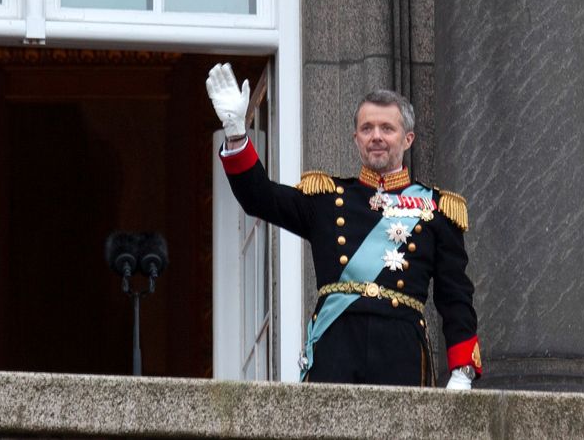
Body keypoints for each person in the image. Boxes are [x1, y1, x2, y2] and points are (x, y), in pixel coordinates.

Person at [206, 63, 481, 388]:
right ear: (355, 138)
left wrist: (462, 369)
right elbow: (259, 198)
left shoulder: (436, 209)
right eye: (367, 128)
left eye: (386, 128)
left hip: (401, 351)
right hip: (335, 346)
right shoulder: (325, 198)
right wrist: (237, 134)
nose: (376, 136)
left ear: (407, 139)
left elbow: (455, 296)